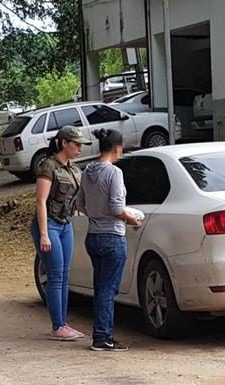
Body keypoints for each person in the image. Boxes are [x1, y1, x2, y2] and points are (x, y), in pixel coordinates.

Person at [76, 128, 141, 351]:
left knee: (100, 287)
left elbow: (80, 204)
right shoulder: (114, 173)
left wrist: (96, 213)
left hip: (93, 236)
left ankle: (101, 334)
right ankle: (102, 336)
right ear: (117, 148)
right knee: (108, 289)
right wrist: (130, 218)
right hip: (112, 235)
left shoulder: (87, 171)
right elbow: (116, 207)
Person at [30, 125, 92, 340]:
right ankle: (58, 325)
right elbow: (41, 201)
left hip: (65, 224)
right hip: (49, 223)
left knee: (65, 275)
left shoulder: (74, 170)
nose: (79, 149)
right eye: (76, 145)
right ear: (64, 143)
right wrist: (44, 234)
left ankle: (63, 323)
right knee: (55, 275)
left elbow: (79, 201)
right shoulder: (48, 166)